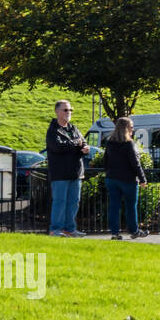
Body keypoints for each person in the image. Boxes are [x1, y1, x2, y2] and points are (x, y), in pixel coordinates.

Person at [46, 100, 91, 237]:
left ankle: (69, 229)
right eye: (65, 110)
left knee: (73, 202)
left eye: (70, 110)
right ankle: (56, 230)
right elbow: (58, 147)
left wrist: (85, 147)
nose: (69, 113)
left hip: (76, 172)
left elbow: (82, 141)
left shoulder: (73, 128)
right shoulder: (53, 130)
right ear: (57, 111)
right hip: (60, 173)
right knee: (60, 202)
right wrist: (75, 143)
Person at [103, 116, 148, 240]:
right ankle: (134, 231)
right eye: (131, 127)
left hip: (111, 178)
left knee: (114, 206)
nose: (133, 130)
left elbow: (105, 161)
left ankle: (114, 233)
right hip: (128, 180)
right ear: (126, 128)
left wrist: (109, 173)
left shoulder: (110, 142)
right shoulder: (129, 144)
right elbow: (135, 163)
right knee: (130, 206)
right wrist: (143, 179)